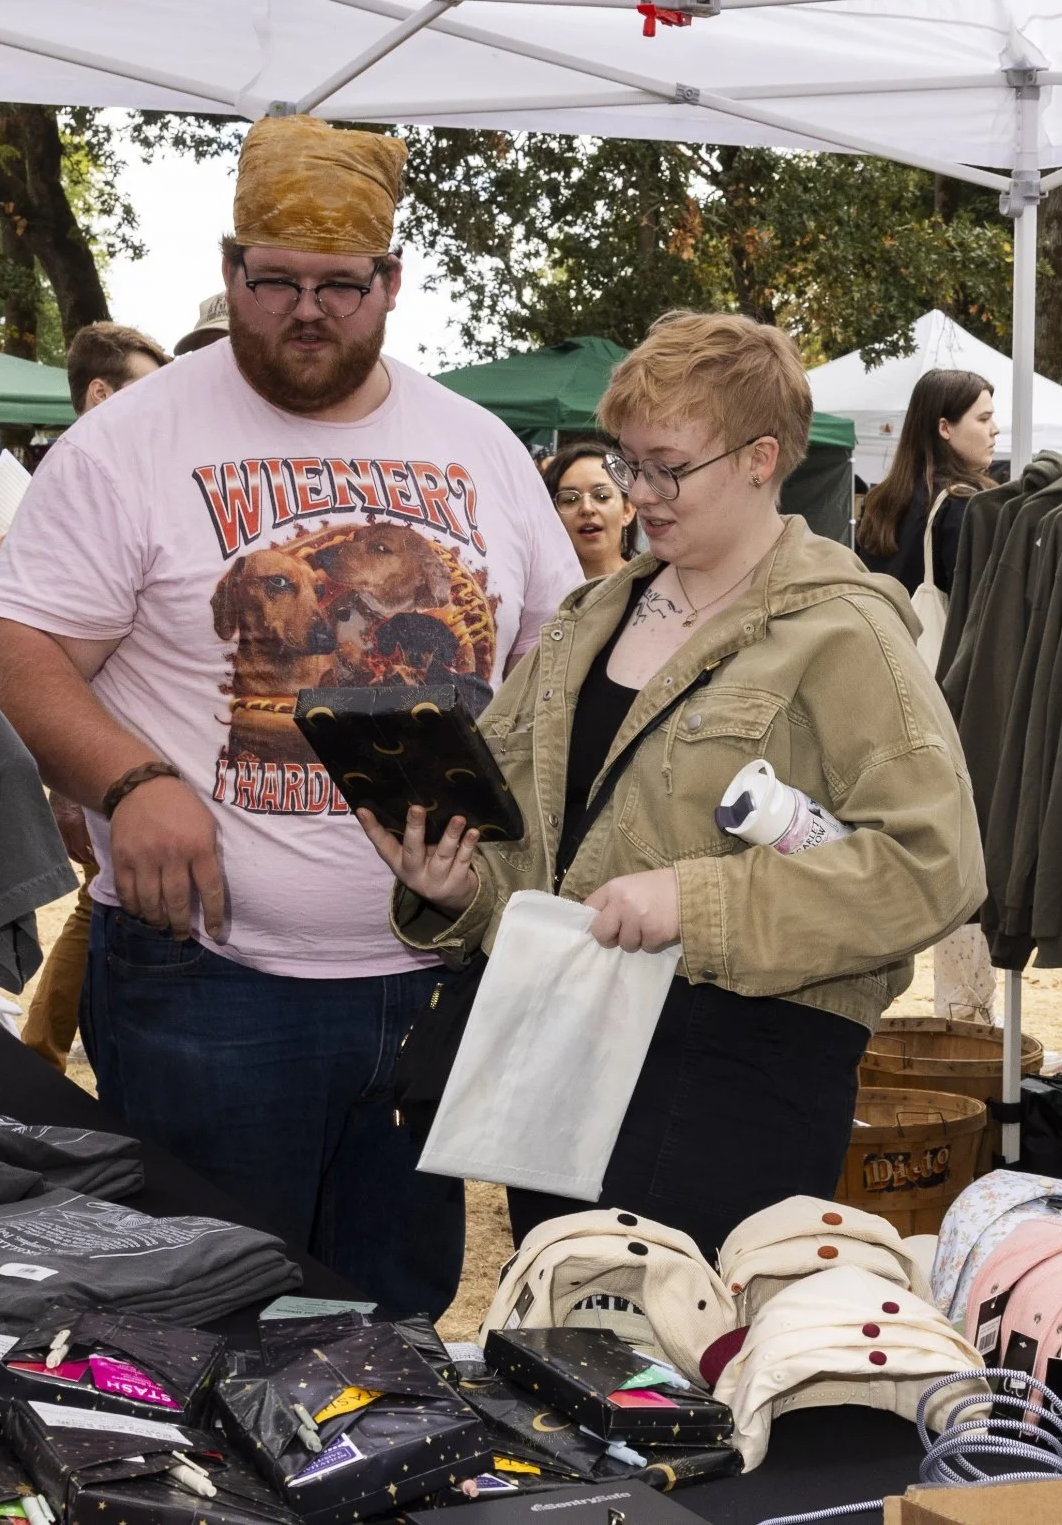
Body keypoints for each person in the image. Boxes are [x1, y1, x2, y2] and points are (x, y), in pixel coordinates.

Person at [0, 115, 580, 1319]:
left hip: (433, 979)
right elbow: (15, 653)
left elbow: (555, 660)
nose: (307, 311)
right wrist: (128, 781)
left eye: (340, 287)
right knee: (205, 1334)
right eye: (275, 281)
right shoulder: (129, 443)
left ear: (392, 283)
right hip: (208, 982)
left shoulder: (479, 448)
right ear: (230, 269)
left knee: (393, 1323)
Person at [363, 310, 986, 1255]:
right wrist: (456, 888)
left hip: (739, 1078)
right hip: (568, 1050)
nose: (639, 495)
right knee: (567, 1346)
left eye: (668, 467)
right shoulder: (586, 622)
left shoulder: (842, 630)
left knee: (689, 1377)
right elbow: (533, 842)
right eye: (627, 464)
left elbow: (935, 868)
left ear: (760, 458)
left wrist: (694, 901)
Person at [14, 322, 175, 1073]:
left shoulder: (142, 474)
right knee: (103, 897)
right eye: (147, 390)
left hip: (121, 768)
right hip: (111, 768)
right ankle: (38, 1051)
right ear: (101, 395)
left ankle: (37, 1051)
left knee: (99, 897)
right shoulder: (80, 482)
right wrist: (71, 783)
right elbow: (36, 661)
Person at [855, 367, 994, 595]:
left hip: (884, 628)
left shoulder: (880, 501)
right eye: (984, 419)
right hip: (936, 630)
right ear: (944, 428)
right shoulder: (961, 504)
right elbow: (977, 605)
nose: (994, 430)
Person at [543, 435, 638, 582]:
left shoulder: (655, 587)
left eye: (601, 496)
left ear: (627, 510)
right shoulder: (538, 596)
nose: (587, 508)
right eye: (570, 499)